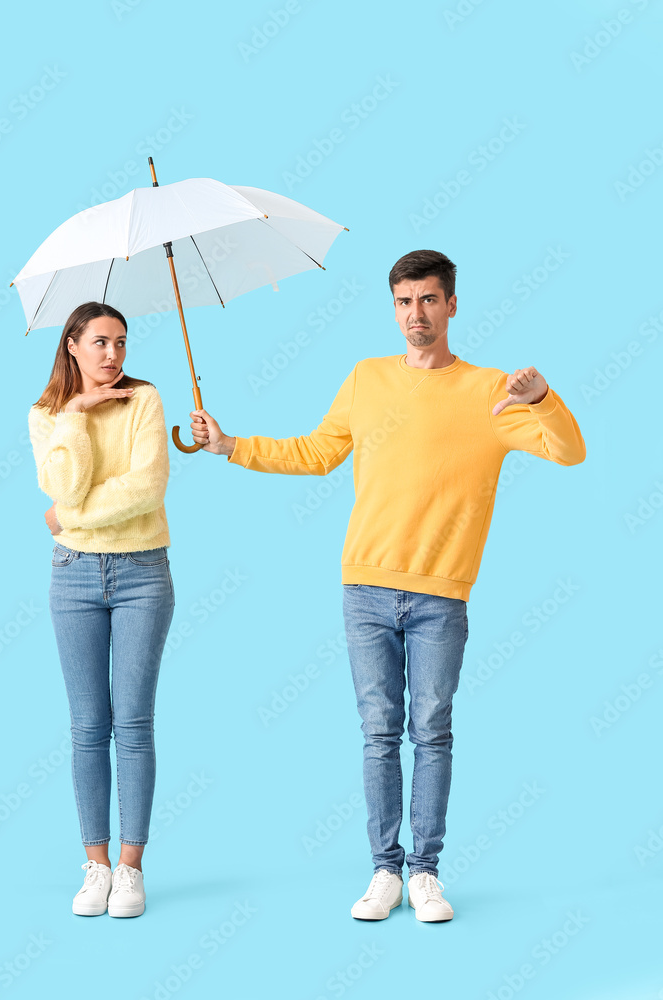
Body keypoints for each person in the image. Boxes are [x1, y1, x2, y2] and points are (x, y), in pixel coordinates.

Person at [189, 249, 586, 923]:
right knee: (378, 732)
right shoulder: (366, 379)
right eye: (403, 301)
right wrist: (231, 444)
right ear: (393, 307)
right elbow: (316, 453)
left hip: (440, 593)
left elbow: (567, 451)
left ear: (451, 305)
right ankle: (383, 871)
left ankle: (425, 872)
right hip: (364, 587)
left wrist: (542, 399)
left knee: (430, 730)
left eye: (428, 300)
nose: (415, 314)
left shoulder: (491, 390)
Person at [28, 301, 174, 918]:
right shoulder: (45, 414)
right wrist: (79, 415)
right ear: (72, 347)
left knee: (133, 723)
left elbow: (147, 488)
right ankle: (95, 866)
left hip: (143, 571)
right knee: (88, 726)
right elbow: (62, 484)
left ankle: (131, 869)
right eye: (100, 343)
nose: (113, 355)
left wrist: (66, 520)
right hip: (73, 577)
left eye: (121, 342)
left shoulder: (145, 400)